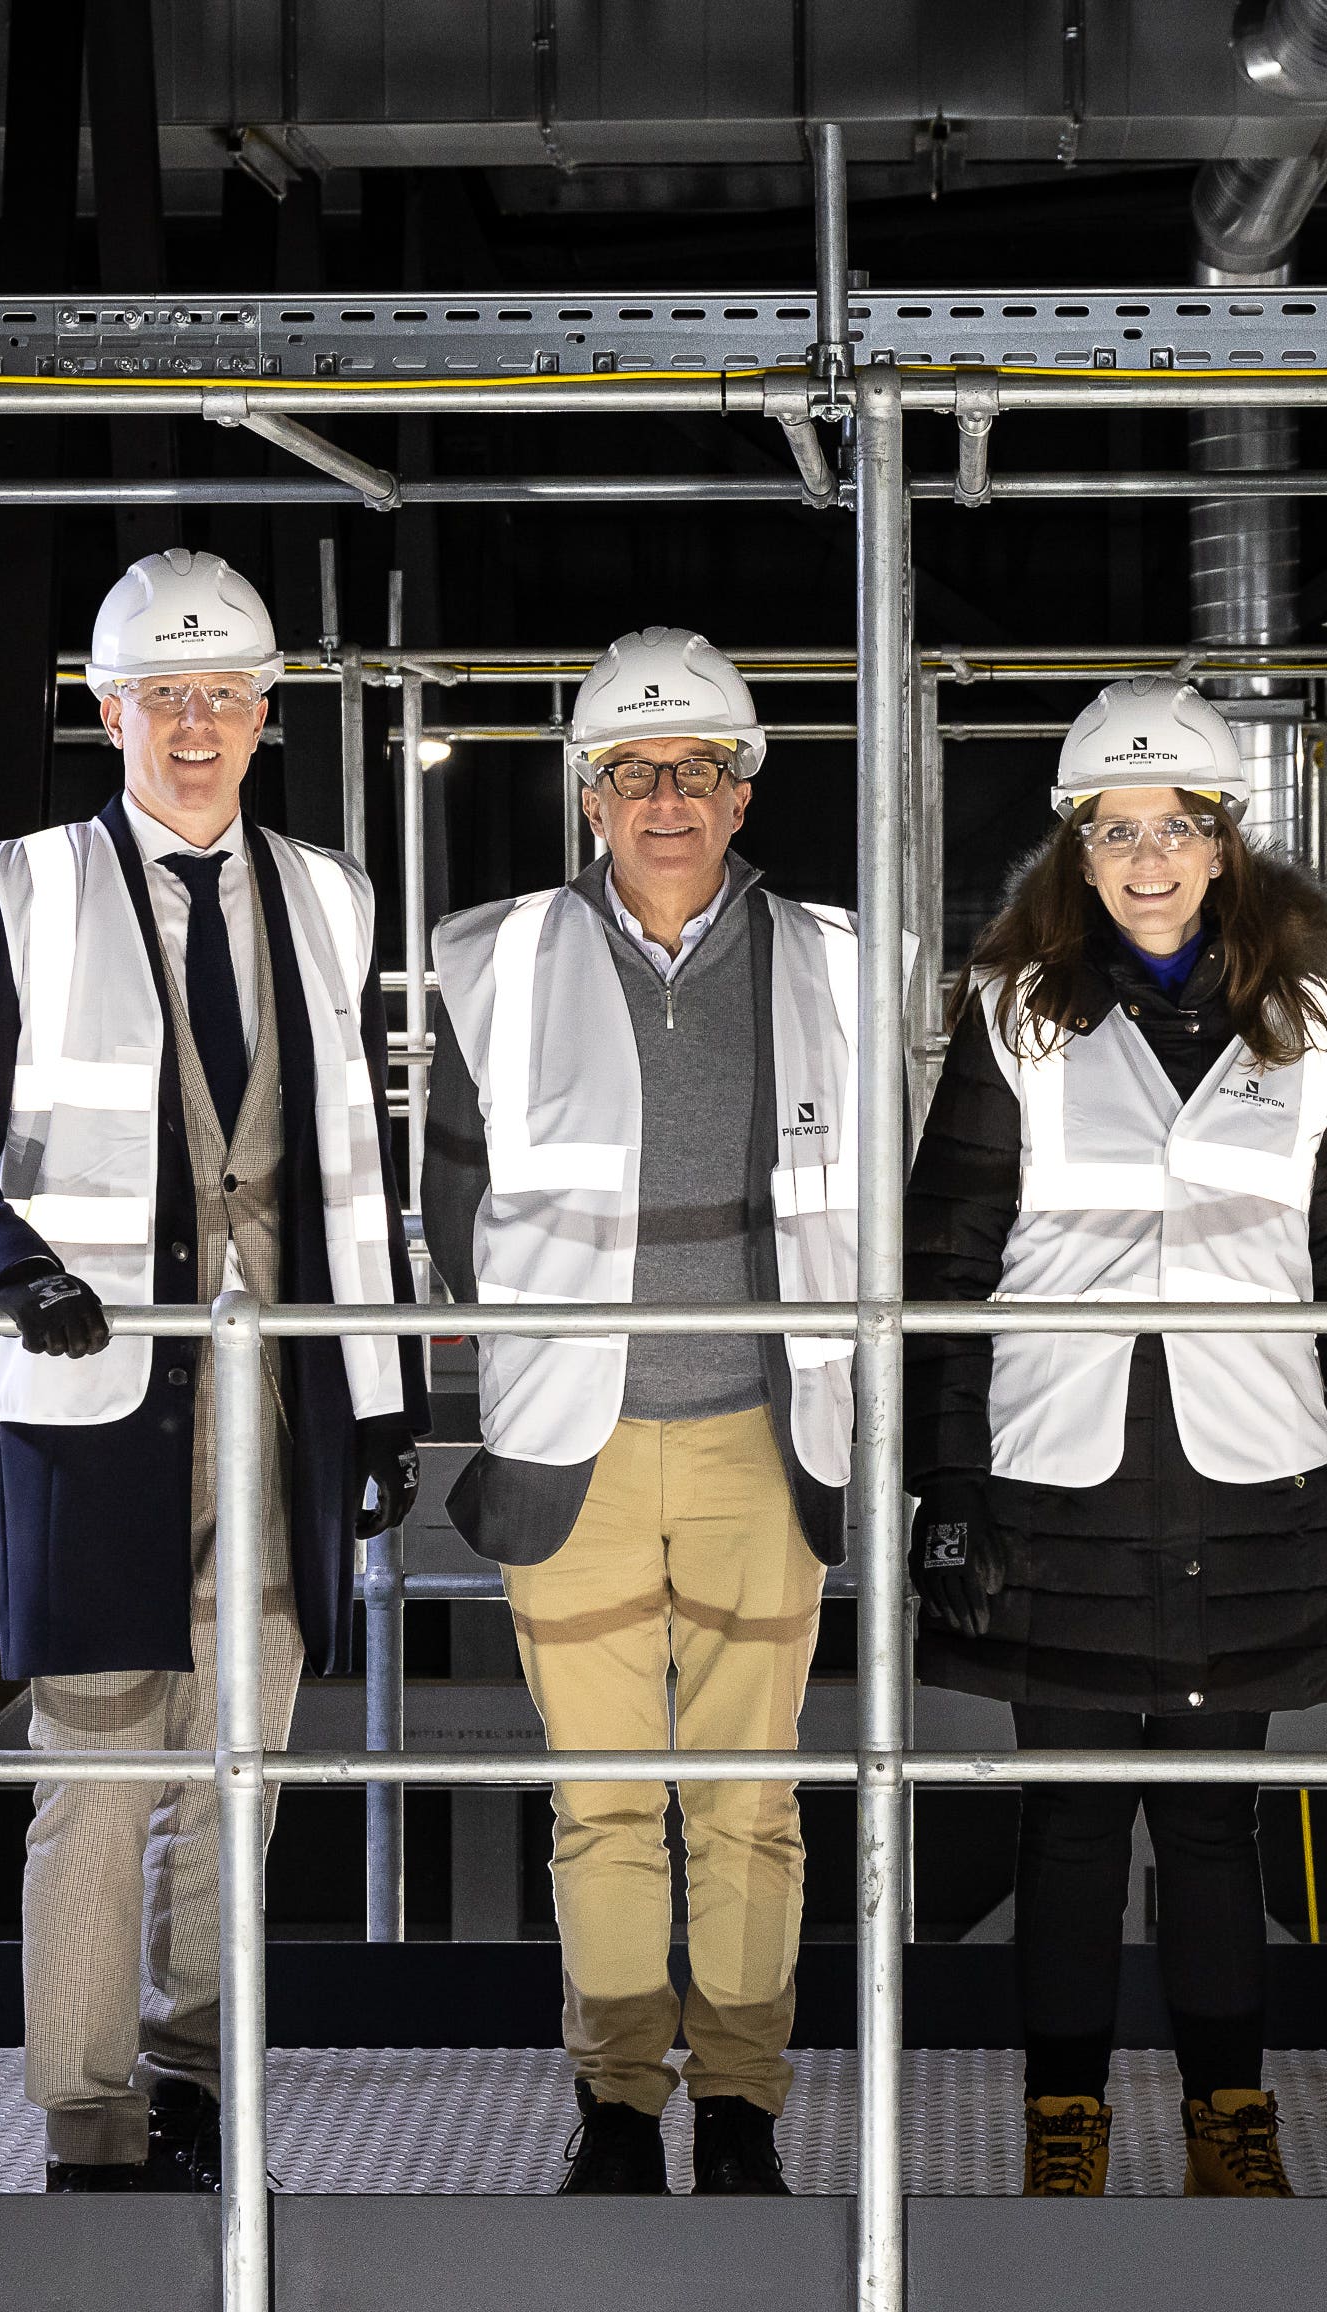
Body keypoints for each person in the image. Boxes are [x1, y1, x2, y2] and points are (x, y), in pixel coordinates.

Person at [0, 548, 424, 2194]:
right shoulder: (30, 884)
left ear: (265, 714)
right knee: (100, 1786)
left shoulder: (331, 898)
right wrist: (20, 1275)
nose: (195, 727)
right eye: (162, 697)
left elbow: (353, 1170)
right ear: (107, 711)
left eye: (223, 696)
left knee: (242, 1779)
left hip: (285, 1417)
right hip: (103, 1413)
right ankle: (88, 2114)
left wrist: (385, 1395)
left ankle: (199, 2075)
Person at [905, 677, 1327, 2198]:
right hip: (1054, 1483)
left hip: (1253, 1474)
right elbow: (948, 1257)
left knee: (1210, 1827)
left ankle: (1226, 2120)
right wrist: (946, 1481)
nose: (1145, 858)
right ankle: (1066, 2122)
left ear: (1223, 841)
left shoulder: (1313, 1026)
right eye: (1115, 830)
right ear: (1075, 845)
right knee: (1065, 1831)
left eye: (1173, 827)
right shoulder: (1012, 1019)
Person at [425, 627, 864, 2198]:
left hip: (768, 1433)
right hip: (576, 1448)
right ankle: (618, 2104)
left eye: (697, 768)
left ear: (745, 791)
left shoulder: (841, 960)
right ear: (586, 795)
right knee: (603, 1802)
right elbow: (453, 1203)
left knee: (749, 1805)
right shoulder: (496, 959)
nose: (665, 797)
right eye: (631, 770)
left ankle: (739, 2109)